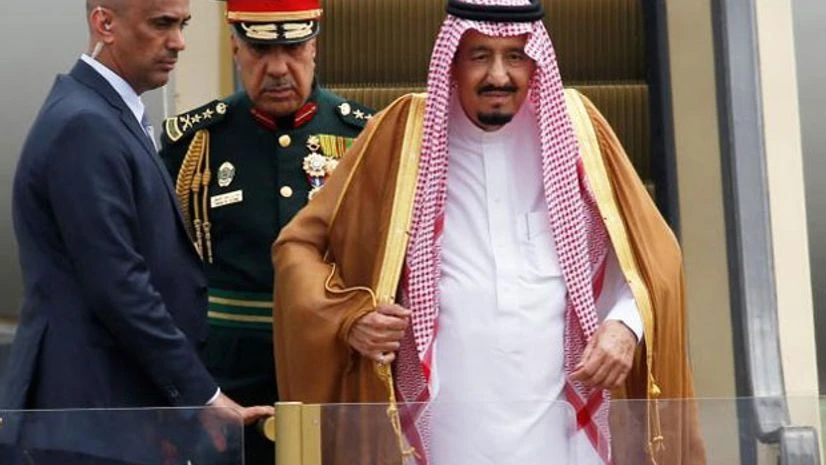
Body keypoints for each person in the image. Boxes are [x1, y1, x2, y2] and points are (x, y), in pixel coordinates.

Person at [272, 0, 705, 464]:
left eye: (515, 56)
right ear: (452, 62)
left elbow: (653, 258)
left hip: (562, 422)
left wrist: (625, 325)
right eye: (480, 55)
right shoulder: (399, 136)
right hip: (443, 428)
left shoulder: (580, 132)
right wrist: (348, 317)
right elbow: (298, 246)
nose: (499, 75)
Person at [0, 0, 272, 464]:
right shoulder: (85, 124)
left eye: (183, 24)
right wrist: (201, 397)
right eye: (161, 24)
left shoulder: (105, 114)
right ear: (104, 23)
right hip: (91, 419)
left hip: (108, 416)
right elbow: (118, 283)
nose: (179, 42)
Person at [159, 0, 373, 463]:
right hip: (227, 374)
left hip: (330, 362)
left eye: (293, 48)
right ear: (235, 48)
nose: (277, 68)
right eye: (259, 50)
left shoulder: (365, 138)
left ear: (315, 46)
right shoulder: (194, 142)